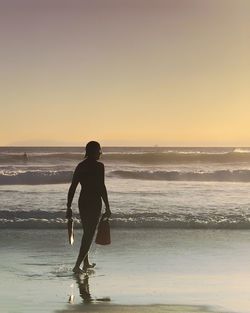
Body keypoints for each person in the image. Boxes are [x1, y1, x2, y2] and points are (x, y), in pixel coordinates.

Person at [66, 141, 111, 274]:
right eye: (98, 150)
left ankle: (86, 263)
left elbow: (73, 187)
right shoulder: (99, 166)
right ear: (92, 151)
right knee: (89, 234)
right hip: (94, 202)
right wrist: (107, 206)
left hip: (84, 201)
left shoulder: (81, 166)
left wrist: (68, 206)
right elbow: (102, 187)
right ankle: (77, 266)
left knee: (88, 232)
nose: (100, 153)